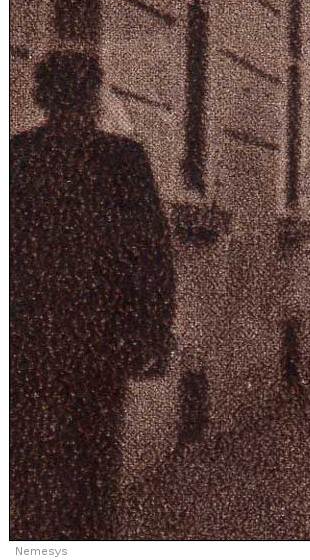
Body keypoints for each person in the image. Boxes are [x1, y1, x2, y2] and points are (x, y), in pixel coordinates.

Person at [10, 51, 176, 540]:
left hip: (29, 340)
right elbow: (152, 256)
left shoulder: (17, 155)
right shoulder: (123, 159)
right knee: (94, 465)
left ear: (42, 96)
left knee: (32, 465)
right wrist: (155, 333)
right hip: (102, 340)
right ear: (94, 96)